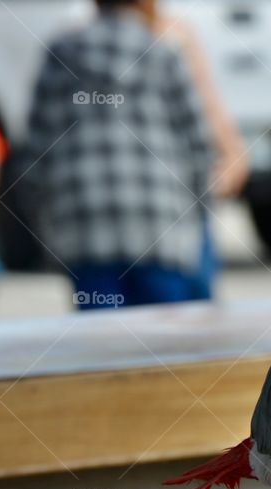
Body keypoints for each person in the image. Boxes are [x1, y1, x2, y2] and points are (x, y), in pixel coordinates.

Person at [24, 0, 229, 309]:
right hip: (162, 229)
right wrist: (200, 212)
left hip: (85, 230)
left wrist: (43, 220)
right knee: (170, 344)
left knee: (106, 345)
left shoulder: (62, 52)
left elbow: (36, 150)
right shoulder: (162, 53)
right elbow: (198, 145)